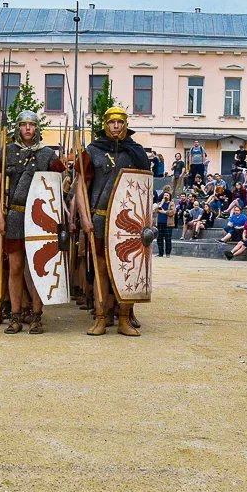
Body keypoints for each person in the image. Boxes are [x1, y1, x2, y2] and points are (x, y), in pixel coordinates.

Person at [0, 109, 66, 334]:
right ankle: (14, 316)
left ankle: (37, 316)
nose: (28, 128)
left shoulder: (47, 155)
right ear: (18, 128)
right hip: (14, 215)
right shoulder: (7, 153)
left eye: (31, 125)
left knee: (37, 270)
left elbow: (58, 185)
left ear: (37, 128)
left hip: (40, 219)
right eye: (23, 124)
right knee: (15, 268)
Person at [76, 106, 150, 336]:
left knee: (127, 267)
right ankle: (100, 318)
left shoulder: (136, 153)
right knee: (101, 269)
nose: (116, 126)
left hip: (128, 222)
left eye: (120, 122)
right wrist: (85, 218)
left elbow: (143, 188)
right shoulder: (93, 150)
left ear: (125, 125)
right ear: (105, 125)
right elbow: (81, 186)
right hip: (100, 216)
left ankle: (124, 319)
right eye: (111, 122)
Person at [155, 189, 174, 257]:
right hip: (160, 223)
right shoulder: (160, 203)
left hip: (168, 224)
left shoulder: (171, 204)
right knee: (159, 239)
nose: (165, 196)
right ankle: (160, 253)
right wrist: (162, 203)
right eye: (164, 195)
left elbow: (172, 212)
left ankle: (168, 253)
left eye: (167, 195)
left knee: (168, 239)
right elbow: (156, 210)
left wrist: (164, 212)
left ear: (169, 197)